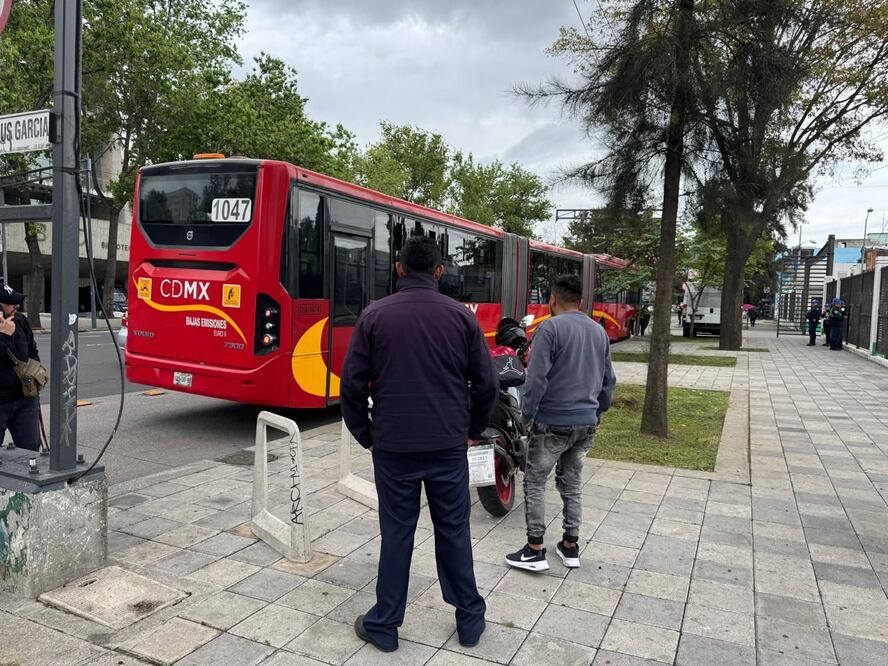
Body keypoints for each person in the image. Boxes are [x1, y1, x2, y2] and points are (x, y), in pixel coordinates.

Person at [340, 235, 498, 653]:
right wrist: (472, 428)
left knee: (396, 534)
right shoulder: (462, 318)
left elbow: (351, 386)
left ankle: (386, 625)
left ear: (398, 269)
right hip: (447, 446)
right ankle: (469, 620)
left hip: (393, 448)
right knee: (454, 532)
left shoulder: (374, 316)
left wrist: (366, 435)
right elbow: (487, 383)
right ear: (440, 272)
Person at [505, 274, 616, 572]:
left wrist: (526, 416)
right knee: (572, 483)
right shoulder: (598, 331)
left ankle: (534, 549)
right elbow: (608, 381)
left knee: (535, 481)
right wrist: (597, 411)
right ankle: (570, 546)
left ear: (552, 300)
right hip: (586, 422)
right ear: (580, 301)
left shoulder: (549, 329)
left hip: (553, 421)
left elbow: (536, 379)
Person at [0, 284, 41, 451]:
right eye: (11, 303)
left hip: (25, 398)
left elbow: (32, 350)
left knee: (30, 449)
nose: (16, 306)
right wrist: (3, 336)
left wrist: (34, 373)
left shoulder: (20, 321)